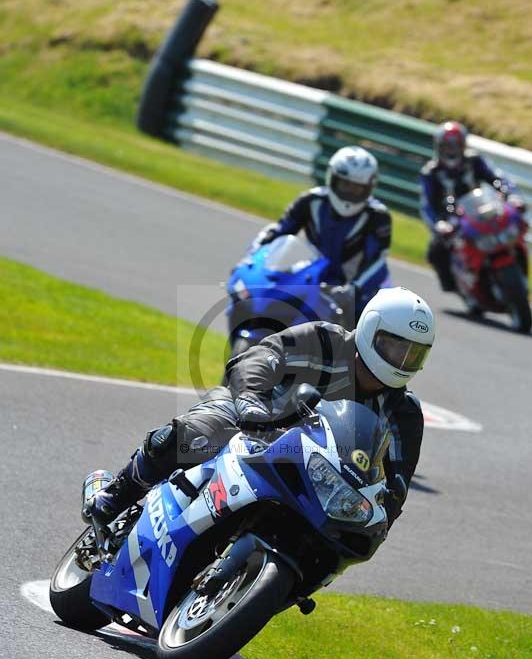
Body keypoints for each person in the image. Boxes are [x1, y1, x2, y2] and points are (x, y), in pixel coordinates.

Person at [84, 288, 435, 532]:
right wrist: (252, 401)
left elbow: (397, 482)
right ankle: (115, 494)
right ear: (372, 330)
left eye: (413, 354)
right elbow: (260, 358)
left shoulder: (404, 413)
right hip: (254, 422)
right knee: (193, 435)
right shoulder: (326, 342)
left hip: (316, 476)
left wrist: (381, 516)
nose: (401, 360)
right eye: (394, 346)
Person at [248, 145, 391, 318]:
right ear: (333, 178)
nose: (350, 192)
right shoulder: (310, 201)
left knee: (367, 326)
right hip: (312, 277)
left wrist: (352, 290)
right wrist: (252, 259)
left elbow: (376, 261)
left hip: (358, 288)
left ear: (369, 188)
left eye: (357, 188)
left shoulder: (377, 216)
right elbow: (278, 232)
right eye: (345, 184)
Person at [420, 120, 524, 291]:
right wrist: (439, 224)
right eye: (447, 146)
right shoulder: (430, 172)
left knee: (513, 221)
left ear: (463, 145)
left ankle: (517, 264)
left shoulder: (474, 160)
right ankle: (452, 284)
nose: (451, 150)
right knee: (436, 250)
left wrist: (512, 195)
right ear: (439, 147)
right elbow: (428, 205)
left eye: (455, 145)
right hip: (452, 217)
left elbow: (497, 179)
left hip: (481, 207)